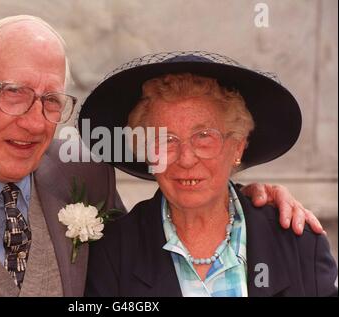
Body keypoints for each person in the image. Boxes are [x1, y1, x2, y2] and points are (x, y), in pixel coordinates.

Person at [0, 16, 324, 297]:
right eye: (14, 95)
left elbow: (195, 193)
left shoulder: (83, 172)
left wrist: (249, 197)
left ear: (237, 145)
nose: (36, 122)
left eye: (51, 101)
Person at [82, 52, 338, 297]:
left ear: (237, 145)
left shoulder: (298, 244)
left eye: (204, 137)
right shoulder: (113, 252)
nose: (186, 158)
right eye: (165, 140)